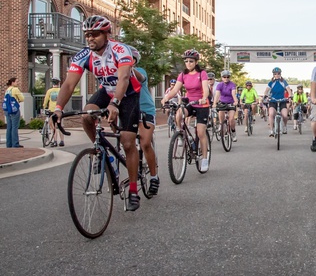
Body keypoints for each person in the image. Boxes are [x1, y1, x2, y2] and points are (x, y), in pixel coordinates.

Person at [54, 15, 143, 211]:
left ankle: (134, 190)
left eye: (94, 34)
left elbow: (125, 78)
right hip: (106, 91)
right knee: (87, 114)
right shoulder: (83, 55)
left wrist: (115, 104)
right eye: (87, 35)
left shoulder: (120, 50)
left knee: (128, 142)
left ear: (106, 34)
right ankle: (103, 152)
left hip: (128, 94)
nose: (90, 38)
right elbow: (69, 84)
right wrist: (58, 109)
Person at [161, 49, 211, 172]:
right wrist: (166, 98)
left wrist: (204, 98)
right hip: (190, 102)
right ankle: (181, 136)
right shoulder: (183, 75)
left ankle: (204, 158)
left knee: (200, 132)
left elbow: (206, 88)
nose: (188, 63)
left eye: (191, 61)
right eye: (186, 61)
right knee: (178, 115)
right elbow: (175, 90)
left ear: (196, 62)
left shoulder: (202, 73)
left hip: (201, 105)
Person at [129, 47, 160, 196]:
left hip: (145, 110)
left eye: (129, 58)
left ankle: (154, 177)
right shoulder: (115, 74)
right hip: (128, 111)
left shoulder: (140, 71)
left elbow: (139, 79)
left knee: (145, 143)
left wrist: (127, 67)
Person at [264, 67, 293, 136]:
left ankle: (285, 127)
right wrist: (266, 96)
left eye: (278, 74)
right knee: (271, 114)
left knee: (285, 116)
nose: (277, 75)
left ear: (280, 74)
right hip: (273, 101)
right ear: (273, 75)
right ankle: (271, 130)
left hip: (282, 101)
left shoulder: (283, 82)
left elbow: (288, 90)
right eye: (275, 74)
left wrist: (290, 96)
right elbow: (266, 91)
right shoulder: (271, 83)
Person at [213, 70, 238, 141]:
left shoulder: (232, 84)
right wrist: (214, 103)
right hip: (222, 102)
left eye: (228, 77)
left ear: (229, 77)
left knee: (231, 119)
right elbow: (217, 94)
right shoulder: (219, 85)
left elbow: (233, 93)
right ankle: (221, 125)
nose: (226, 78)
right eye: (224, 77)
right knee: (221, 115)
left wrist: (236, 101)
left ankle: (233, 132)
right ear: (222, 77)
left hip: (231, 102)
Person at [43, 77, 65, 147]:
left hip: (51, 111)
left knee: (53, 127)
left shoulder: (49, 91)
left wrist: (44, 107)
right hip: (59, 110)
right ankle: (62, 141)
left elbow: (46, 101)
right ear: (59, 83)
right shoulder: (61, 90)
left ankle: (55, 141)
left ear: (52, 83)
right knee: (61, 126)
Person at [4, 77, 24, 148]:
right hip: (14, 110)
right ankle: (15, 144)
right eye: (16, 81)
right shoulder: (15, 89)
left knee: (9, 127)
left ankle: (8, 144)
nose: (17, 83)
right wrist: (18, 101)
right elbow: (22, 98)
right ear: (12, 82)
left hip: (7, 110)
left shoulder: (7, 89)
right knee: (14, 127)